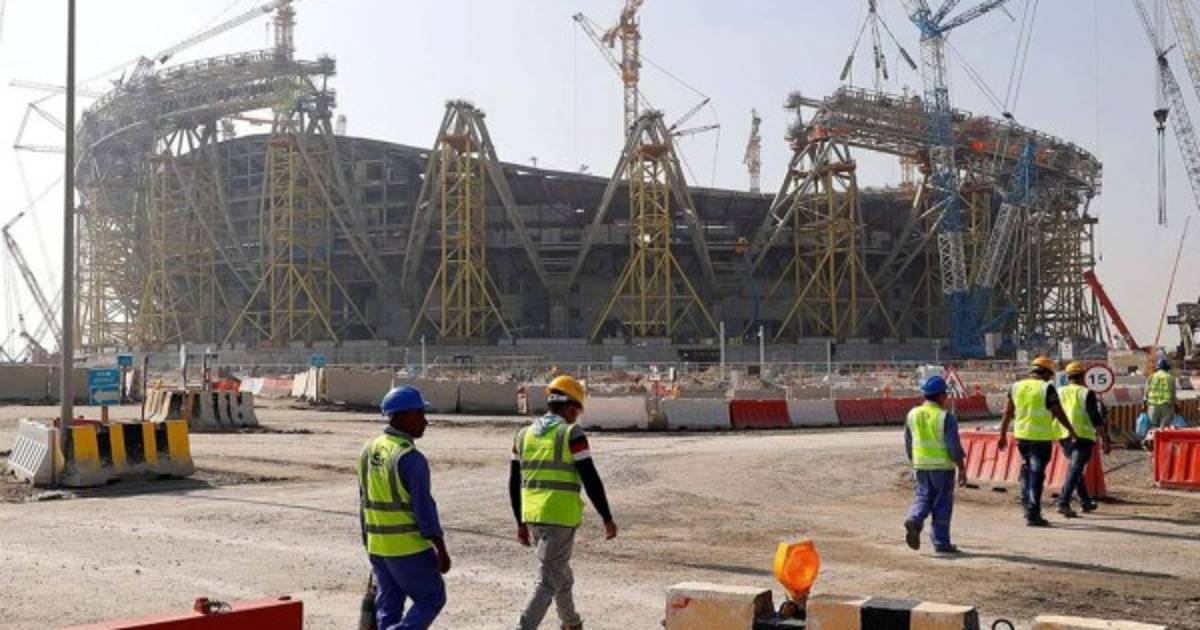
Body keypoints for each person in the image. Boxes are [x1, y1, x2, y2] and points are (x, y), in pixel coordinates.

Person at [511, 375, 617, 630]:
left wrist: (520, 522)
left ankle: (571, 623)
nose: (576, 417)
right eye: (577, 412)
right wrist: (607, 517)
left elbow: (513, 482)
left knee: (561, 574)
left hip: (533, 515)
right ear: (570, 407)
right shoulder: (571, 433)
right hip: (559, 517)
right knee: (548, 580)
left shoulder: (523, 435)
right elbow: (590, 477)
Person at [357, 386, 451, 630]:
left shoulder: (368, 449)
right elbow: (425, 510)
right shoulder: (409, 458)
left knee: (389, 606)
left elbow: (363, 501)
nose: (425, 421)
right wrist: (441, 549)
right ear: (405, 415)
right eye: (420, 414)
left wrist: (368, 543)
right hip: (408, 548)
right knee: (432, 598)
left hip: (378, 546)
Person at [998, 356, 1078, 527]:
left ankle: (1027, 507)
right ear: (1047, 373)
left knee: (1027, 470)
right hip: (1040, 439)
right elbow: (1058, 412)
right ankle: (1033, 514)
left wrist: (1002, 434)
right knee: (1036, 474)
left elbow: (1008, 412)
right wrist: (1071, 431)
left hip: (1021, 437)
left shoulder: (1016, 386)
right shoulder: (1046, 387)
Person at [903, 375, 968, 554]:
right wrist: (962, 469)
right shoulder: (945, 417)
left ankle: (914, 519)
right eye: (945, 394)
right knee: (942, 505)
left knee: (923, 497)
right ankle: (941, 542)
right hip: (942, 468)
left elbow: (908, 442)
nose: (946, 398)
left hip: (921, 466)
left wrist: (914, 462)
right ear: (940, 396)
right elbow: (954, 447)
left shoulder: (912, 414)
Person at [1055, 362, 1113, 517]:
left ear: (1067, 377)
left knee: (1076, 468)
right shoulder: (1086, 393)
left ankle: (1085, 501)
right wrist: (1105, 439)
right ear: (1083, 377)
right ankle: (1063, 501)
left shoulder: (1059, 392)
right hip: (1082, 435)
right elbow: (1095, 418)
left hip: (1063, 435)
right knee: (1076, 468)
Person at [1146, 357, 1179, 429]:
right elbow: (1173, 393)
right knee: (1164, 428)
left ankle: (1153, 435)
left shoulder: (1151, 376)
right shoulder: (1170, 377)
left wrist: (1144, 403)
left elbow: (1146, 391)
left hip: (1152, 405)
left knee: (1153, 426)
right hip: (1165, 406)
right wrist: (1175, 405)